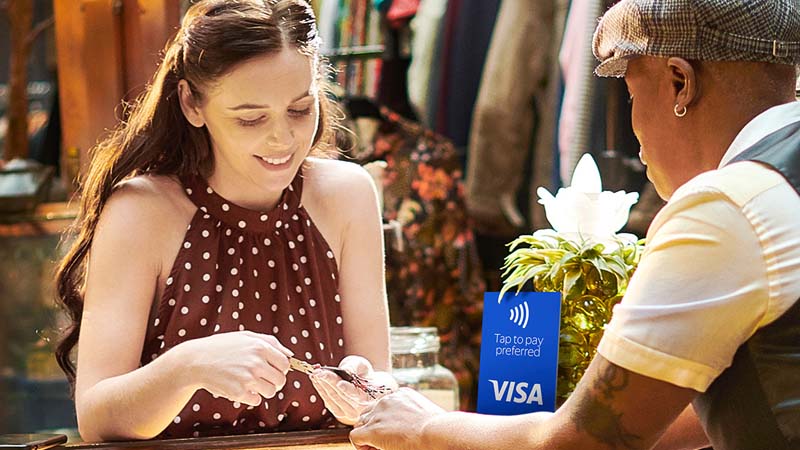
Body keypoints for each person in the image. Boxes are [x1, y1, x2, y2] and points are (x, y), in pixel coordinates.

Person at [350, 0, 800, 449]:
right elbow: (671, 418)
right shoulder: (773, 181)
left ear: (680, 83)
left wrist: (424, 426)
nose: (632, 125)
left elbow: (580, 442)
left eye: (630, 94)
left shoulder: (726, 207)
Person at [54, 0, 393, 441]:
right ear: (191, 104)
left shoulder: (348, 195)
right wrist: (187, 367)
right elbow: (97, 417)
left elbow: (380, 383)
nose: (282, 138)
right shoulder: (142, 211)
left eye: (300, 109)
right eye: (251, 118)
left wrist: (366, 393)